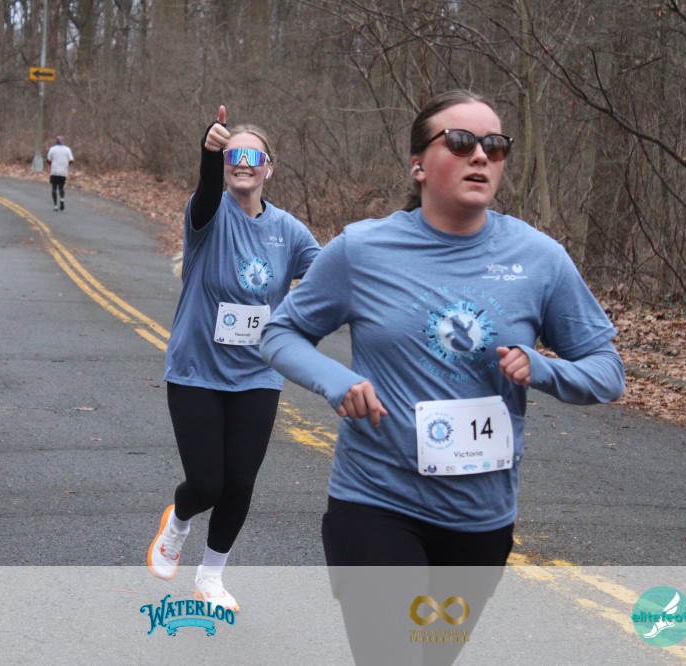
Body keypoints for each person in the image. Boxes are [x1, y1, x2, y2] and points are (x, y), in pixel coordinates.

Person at [259, 89, 625, 664]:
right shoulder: (363, 250)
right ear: (419, 166)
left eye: (494, 145)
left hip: (481, 517)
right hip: (376, 500)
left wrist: (543, 368)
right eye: (459, 141)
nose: (480, 155)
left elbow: (607, 372)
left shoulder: (540, 258)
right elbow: (280, 333)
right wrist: (337, 382)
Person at [147, 105, 321, 611]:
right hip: (196, 370)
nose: (243, 164)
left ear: (269, 168)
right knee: (207, 483)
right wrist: (209, 149)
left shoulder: (289, 231)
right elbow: (206, 189)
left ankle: (211, 576)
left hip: (257, 375)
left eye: (253, 157)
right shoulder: (207, 215)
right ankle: (178, 521)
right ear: (225, 165)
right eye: (233, 157)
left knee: (240, 482)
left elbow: (327, 276)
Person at [46, 135, 74, 211]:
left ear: (56, 141)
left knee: (54, 188)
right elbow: (71, 160)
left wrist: (52, 164)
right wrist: (66, 164)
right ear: (63, 141)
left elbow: (48, 160)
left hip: (54, 171)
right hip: (63, 171)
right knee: (61, 187)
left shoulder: (52, 149)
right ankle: (62, 199)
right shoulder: (67, 149)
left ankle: (55, 205)